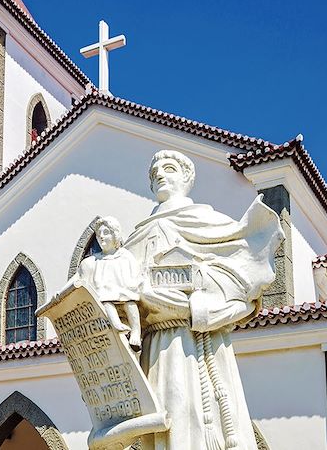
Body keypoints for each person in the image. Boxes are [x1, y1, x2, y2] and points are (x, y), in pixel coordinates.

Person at [123, 150, 284, 450]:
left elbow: (243, 288)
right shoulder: (136, 237)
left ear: (186, 178)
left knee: (195, 417)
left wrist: (194, 308)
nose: (159, 174)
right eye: (153, 171)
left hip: (196, 345)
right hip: (154, 349)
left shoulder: (208, 223)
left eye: (168, 168)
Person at [76, 216, 143, 349]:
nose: (101, 237)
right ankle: (116, 325)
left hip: (126, 290)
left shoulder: (124, 255)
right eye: (98, 234)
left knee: (130, 301)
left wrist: (133, 285)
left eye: (106, 233)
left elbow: (134, 271)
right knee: (105, 300)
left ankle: (136, 332)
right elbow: (78, 279)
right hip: (105, 293)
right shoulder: (95, 260)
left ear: (115, 234)